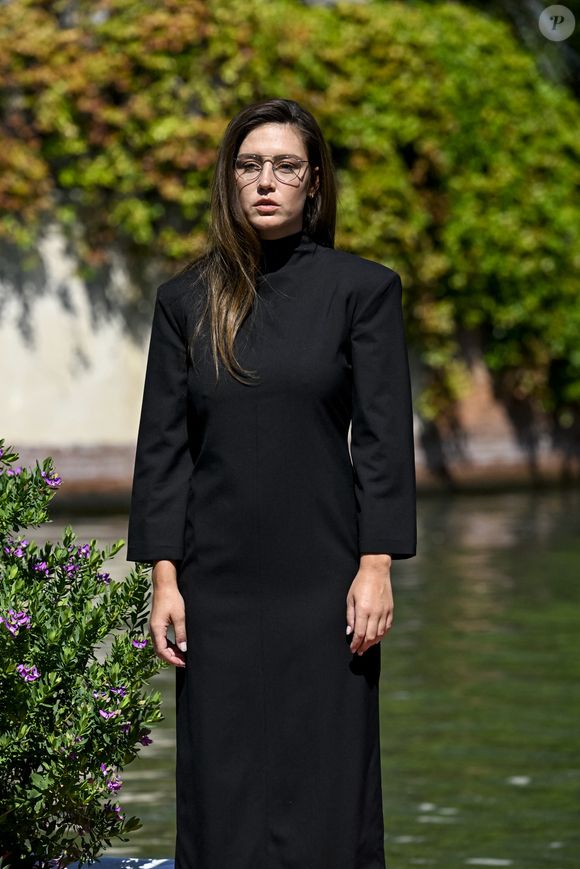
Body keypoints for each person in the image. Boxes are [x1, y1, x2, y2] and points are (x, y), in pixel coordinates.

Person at [127, 97, 417, 869]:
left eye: (285, 166)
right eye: (249, 166)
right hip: (213, 588)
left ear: (313, 181)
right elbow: (163, 450)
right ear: (228, 180)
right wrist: (164, 579)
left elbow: (385, 441)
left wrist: (376, 565)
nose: (266, 182)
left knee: (328, 787)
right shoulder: (185, 299)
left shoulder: (364, 290)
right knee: (221, 793)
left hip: (328, 586)